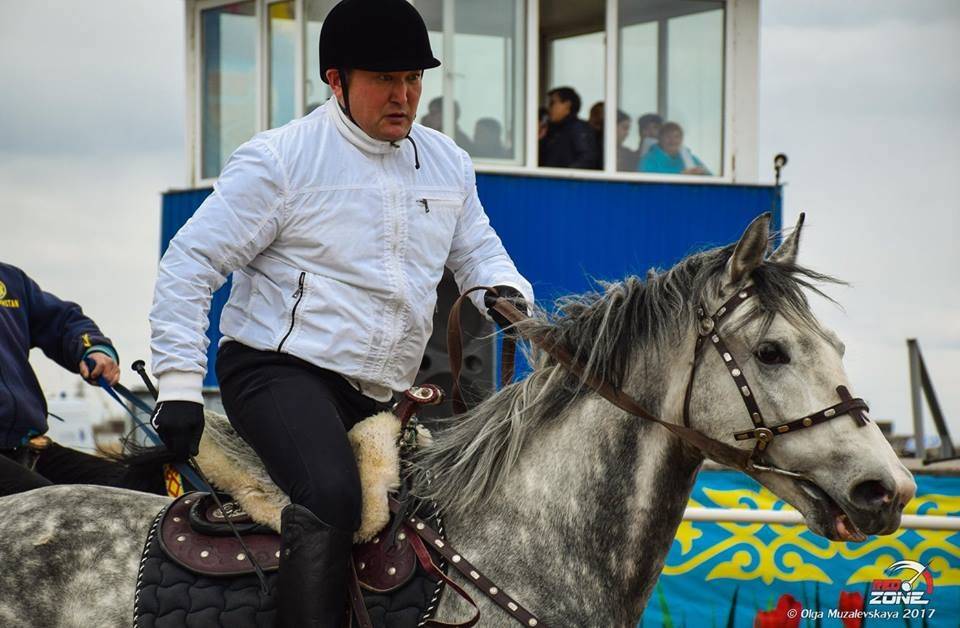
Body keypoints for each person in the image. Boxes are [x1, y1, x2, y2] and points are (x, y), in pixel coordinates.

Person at [147, 0, 534, 625]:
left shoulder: (448, 163)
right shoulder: (278, 161)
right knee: (332, 496)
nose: (404, 96)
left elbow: (480, 252)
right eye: (385, 79)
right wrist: (180, 386)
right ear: (335, 80)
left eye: (413, 79)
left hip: (382, 390)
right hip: (276, 371)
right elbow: (189, 264)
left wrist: (505, 292)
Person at [0, 262, 125, 497]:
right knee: (55, 508)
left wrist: (92, 350)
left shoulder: (10, 280)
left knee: (131, 485)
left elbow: (63, 321)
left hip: (27, 446)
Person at [538, 86, 600, 169]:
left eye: (552, 103)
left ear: (567, 105)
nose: (549, 108)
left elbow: (587, 159)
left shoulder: (578, 128)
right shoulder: (551, 130)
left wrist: (565, 175)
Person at [638, 121, 711, 175]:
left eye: (677, 137)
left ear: (682, 139)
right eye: (668, 136)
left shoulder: (690, 158)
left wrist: (702, 173)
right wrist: (681, 176)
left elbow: (712, 180)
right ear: (660, 139)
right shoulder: (648, 160)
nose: (673, 140)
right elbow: (647, 186)